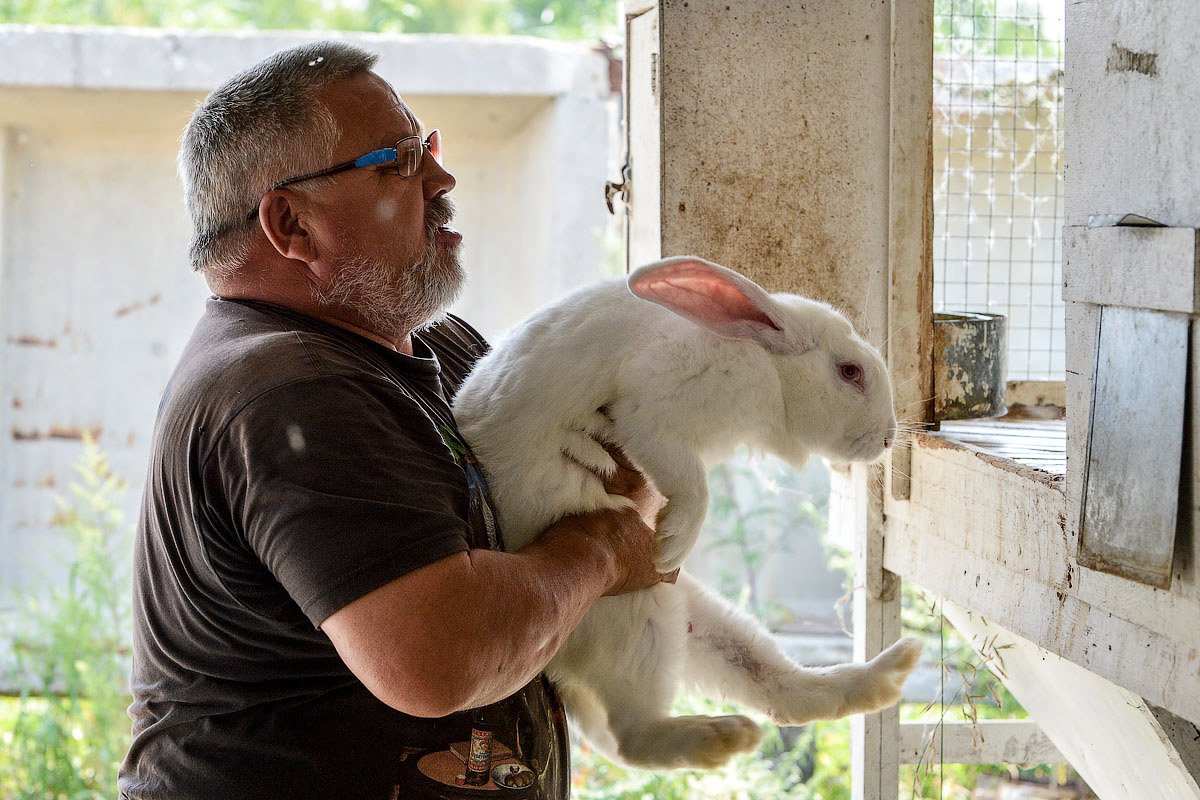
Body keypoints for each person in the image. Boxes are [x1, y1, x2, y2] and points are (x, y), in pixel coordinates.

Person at [118, 40, 670, 800]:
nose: (441, 180)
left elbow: (625, 464)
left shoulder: (432, 343)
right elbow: (440, 660)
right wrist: (602, 550)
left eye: (427, 148)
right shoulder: (291, 391)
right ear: (291, 224)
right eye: (399, 163)